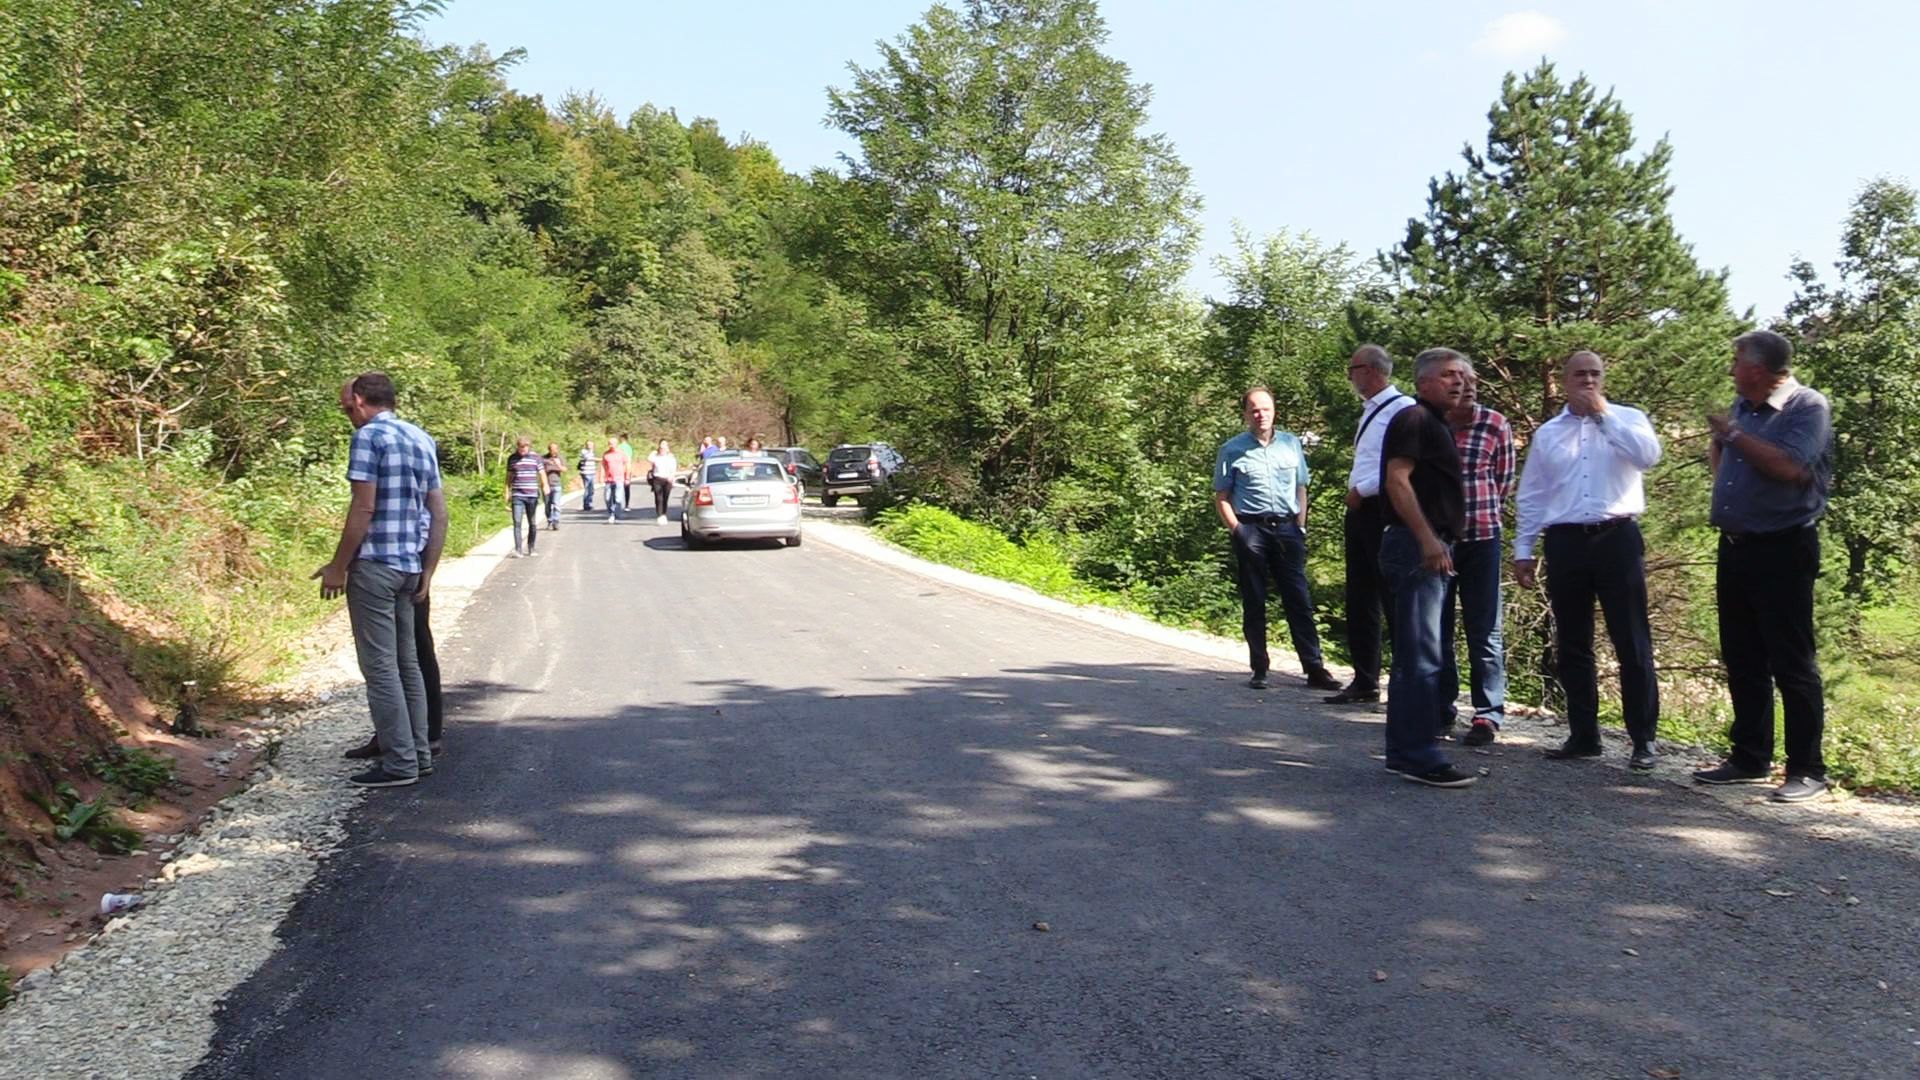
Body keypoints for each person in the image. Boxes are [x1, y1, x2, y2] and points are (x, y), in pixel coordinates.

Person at [1694, 330, 1835, 802]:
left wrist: (1733, 435)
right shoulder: (1743, 407)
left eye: (1736, 361)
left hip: (1784, 547)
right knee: (1743, 656)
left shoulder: (1806, 406)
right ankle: (1750, 757)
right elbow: (1729, 467)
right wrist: (1723, 443)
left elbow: (1790, 466)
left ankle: (1807, 769)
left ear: (1757, 368)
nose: (1731, 369)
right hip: (1736, 546)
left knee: (1791, 661)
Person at [1512, 350, 1664, 770]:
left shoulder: (1629, 418)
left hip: (1617, 536)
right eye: (1580, 374)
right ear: (1565, 380)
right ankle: (1583, 735)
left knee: (1631, 639)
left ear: (1604, 378)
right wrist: (1524, 549)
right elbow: (1533, 494)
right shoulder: (1549, 433)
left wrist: (1603, 415)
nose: (1588, 380)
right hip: (1565, 540)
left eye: (1595, 373)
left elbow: (1648, 457)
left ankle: (1643, 740)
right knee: (1572, 642)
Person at [313, 373, 444, 788]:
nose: (347, 415)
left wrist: (338, 566)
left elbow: (363, 508)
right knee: (408, 665)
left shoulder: (369, 437)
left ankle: (400, 763)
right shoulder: (421, 438)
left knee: (381, 668)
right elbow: (439, 513)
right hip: (409, 567)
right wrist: (427, 571)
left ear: (358, 399)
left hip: (375, 567)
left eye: (346, 408)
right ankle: (419, 754)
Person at [1377, 349, 1478, 788]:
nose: (1460, 382)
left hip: (1426, 545)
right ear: (1422, 383)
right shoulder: (1415, 419)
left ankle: (1405, 752)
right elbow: (1396, 481)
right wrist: (1427, 540)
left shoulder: (1435, 423)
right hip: (1416, 547)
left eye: (1464, 376)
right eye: (1449, 375)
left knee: (1416, 656)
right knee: (1421, 657)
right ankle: (1419, 755)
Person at [1213, 386, 1342, 693]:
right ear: (1246, 414)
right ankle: (1259, 668)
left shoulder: (1290, 444)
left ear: (1274, 412)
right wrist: (1238, 530)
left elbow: (1301, 486)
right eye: (1254, 410)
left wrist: (1300, 526)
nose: (1261, 415)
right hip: (1251, 529)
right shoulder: (1232, 449)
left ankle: (1314, 668)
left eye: (1266, 409)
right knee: (1255, 600)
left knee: (1298, 599)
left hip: (1287, 529)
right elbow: (1222, 497)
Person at [1326, 345, 1416, 705]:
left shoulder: (1402, 409)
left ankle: (1406, 683)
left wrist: (1361, 490)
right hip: (1361, 510)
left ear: (1370, 371)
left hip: (1383, 508)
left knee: (1391, 595)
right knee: (1360, 595)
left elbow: (1402, 465)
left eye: (1353, 369)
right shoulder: (1371, 410)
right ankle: (1365, 678)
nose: (1350, 376)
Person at [1439, 370, 1515, 746]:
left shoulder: (1496, 424)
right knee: (1438, 629)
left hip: (1482, 538)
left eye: (1472, 384)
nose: (1468, 390)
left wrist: (1477, 512)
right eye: (1459, 384)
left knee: (1485, 630)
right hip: (1439, 540)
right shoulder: (1433, 423)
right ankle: (1441, 707)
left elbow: (1503, 481)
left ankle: (1487, 714)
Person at [505, 435, 546, 557]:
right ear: (517, 447)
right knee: (517, 522)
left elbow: (542, 473)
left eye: (525, 447)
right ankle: (518, 549)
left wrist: (545, 485)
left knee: (532, 522)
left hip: (532, 495)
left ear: (529, 447)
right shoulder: (512, 458)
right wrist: (506, 491)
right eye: (521, 447)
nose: (523, 449)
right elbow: (508, 477)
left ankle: (531, 547)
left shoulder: (536, 458)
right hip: (517, 494)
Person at [647, 439, 677, 523]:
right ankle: (659, 515)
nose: (662, 450)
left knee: (665, 498)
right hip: (657, 479)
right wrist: (654, 452)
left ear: (667, 449)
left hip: (667, 479)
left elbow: (673, 469)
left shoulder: (671, 458)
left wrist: (672, 477)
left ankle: (664, 513)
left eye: (664, 449)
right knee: (658, 497)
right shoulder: (656, 457)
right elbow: (649, 458)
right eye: (660, 448)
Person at [601, 435, 628, 521]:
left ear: (616, 444)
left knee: (617, 498)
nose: (611, 445)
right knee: (607, 498)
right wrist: (601, 476)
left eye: (613, 443)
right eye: (609, 443)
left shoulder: (621, 453)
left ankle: (616, 513)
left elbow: (626, 465)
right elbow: (603, 466)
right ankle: (611, 512)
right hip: (608, 479)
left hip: (619, 479)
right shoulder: (606, 454)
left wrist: (627, 477)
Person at [542, 441, 566, 530]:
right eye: (552, 449)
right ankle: (549, 520)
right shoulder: (544, 458)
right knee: (547, 505)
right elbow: (541, 471)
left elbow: (564, 469)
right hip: (546, 485)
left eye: (555, 449)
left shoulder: (560, 458)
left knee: (556, 504)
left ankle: (556, 521)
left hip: (557, 484)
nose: (554, 451)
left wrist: (557, 464)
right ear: (549, 449)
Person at [618, 433, 637, 510]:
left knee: (618, 487)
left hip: (620, 468)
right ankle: (627, 505)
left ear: (622, 439)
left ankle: (618, 504)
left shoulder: (619, 447)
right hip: (628, 467)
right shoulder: (629, 447)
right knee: (627, 487)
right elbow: (629, 459)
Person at [578, 440, 596, 512]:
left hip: (592, 472)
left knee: (591, 489)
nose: (590, 446)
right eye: (588, 444)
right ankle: (586, 505)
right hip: (586, 472)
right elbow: (588, 458)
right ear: (586, 445)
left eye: (591, 444)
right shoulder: (584, 451)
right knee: (587, 489)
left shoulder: (592, 452)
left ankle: (589, 504)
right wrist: (601, 459)